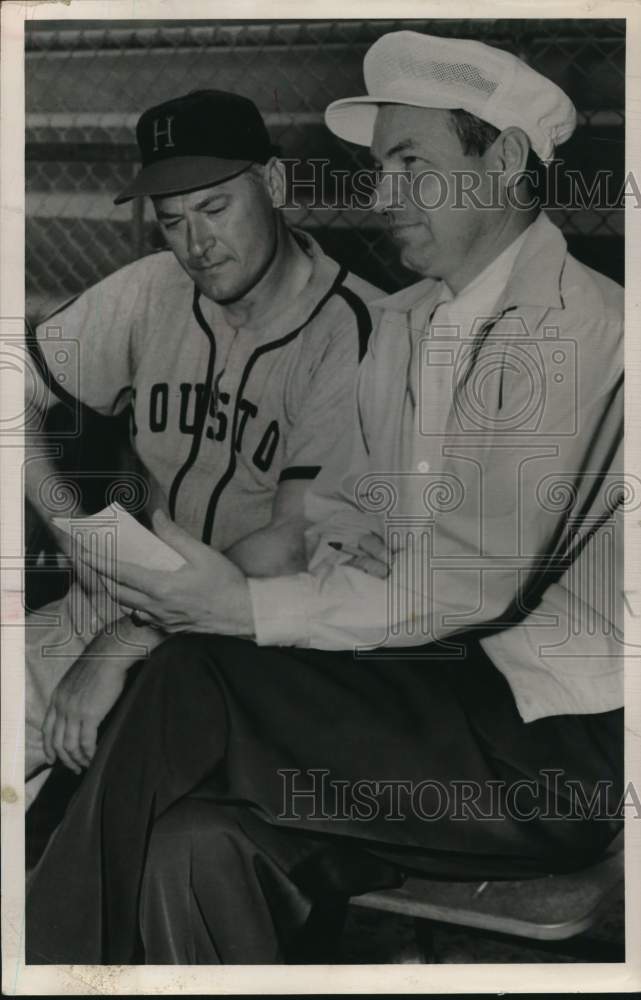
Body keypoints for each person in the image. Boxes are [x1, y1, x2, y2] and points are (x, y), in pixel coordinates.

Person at [26, 32, 624, 965]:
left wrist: (232, 609)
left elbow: (467, 592)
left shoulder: (581, 327)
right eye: (378, 166)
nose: (380, 194)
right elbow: (338, 523)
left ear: (502, 159)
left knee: (195, 675)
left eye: (409, 163)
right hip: (403, 709)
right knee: (196, 848)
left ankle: (43, 962)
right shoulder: (404, 325)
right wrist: (167, 621)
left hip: (542, 757)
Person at [24, 89, 379, 800]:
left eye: (215, 208)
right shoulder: (153, 289)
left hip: (247, 645)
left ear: (274, 185)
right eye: (172, 220)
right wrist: (67, 525)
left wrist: (118, 644)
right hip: (112, 605)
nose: (195, 245)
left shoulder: (354, 329)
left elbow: (292, 543)